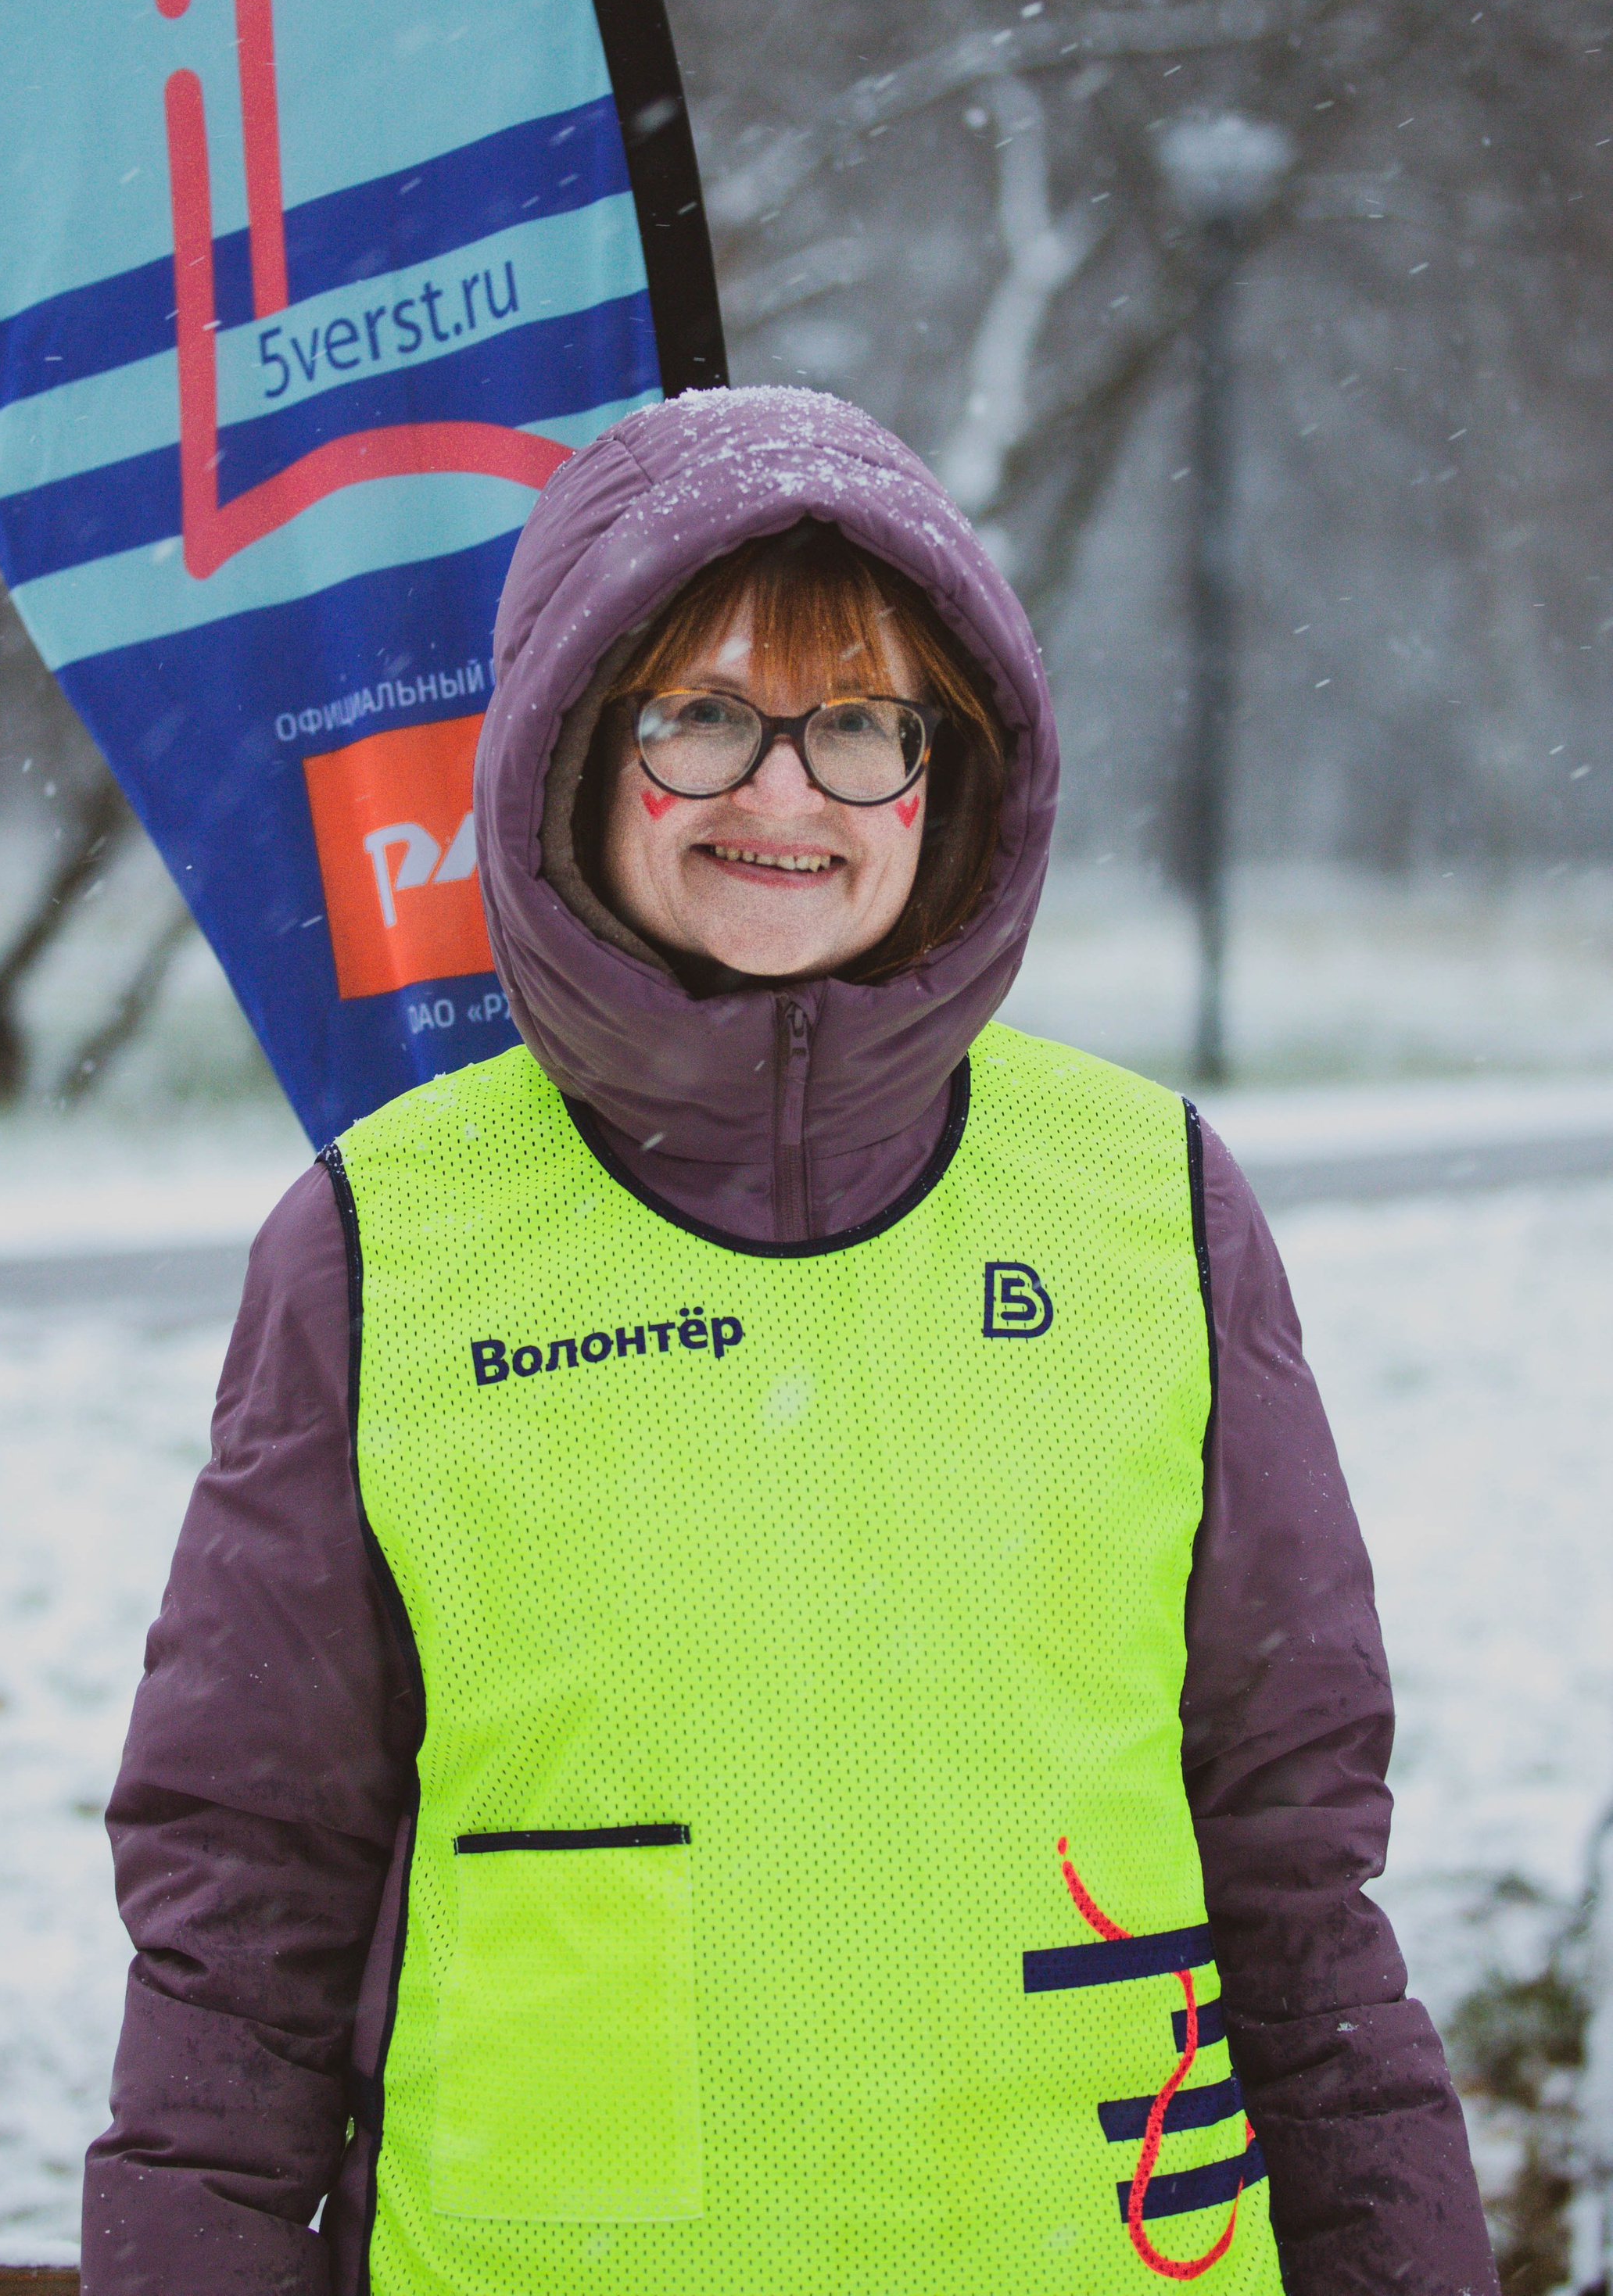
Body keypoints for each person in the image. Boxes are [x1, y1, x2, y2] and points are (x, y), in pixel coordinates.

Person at [83, 387, 1494, 2296]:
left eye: (854, 724)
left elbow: (1294, 1870)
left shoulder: (1147, 1198)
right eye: (701, 716)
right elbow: (241, 1917)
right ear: (579, 753)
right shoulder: (380, 1242)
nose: (783, 794)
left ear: (947, 772)